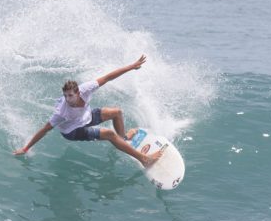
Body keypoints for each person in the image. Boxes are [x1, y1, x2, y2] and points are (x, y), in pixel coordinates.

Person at [13, 54, 163, 167]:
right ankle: (145, 159)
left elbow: (108, 77)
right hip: (72, 131)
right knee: (110, 134)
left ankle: (123, 139)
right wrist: (25, 149)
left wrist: (131, 66)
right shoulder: (61, 112)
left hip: (85, 117)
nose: (67, 98)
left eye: (70, 95)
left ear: (78, 93)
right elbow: (44, 130)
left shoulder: (86, 89)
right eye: (65, 96)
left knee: (116, 112)